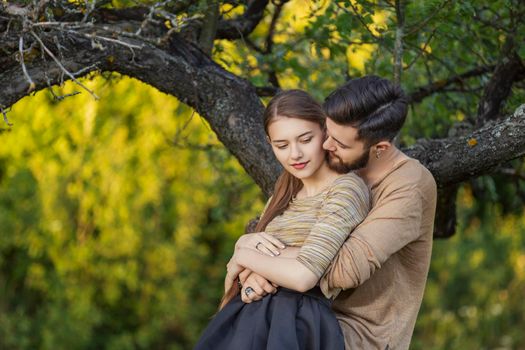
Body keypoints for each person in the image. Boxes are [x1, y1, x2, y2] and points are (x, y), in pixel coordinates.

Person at [238, 76, 438, 350]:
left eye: (340, 143)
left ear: (380, 149)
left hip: (355, 337)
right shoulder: (336, 168)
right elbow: (285, 229)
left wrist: (255, 258)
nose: (326, 145)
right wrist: (253, 269)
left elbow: (345, 270)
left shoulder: (408, 186)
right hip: (299, 318)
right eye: (327, 133)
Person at [194, 89, 370, 350]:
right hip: (251, 319)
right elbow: (251, 272)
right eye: (282, 145)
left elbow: (304, 276)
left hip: (297, 324)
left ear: (325, 131)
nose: (295, 154)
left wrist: (243, 255)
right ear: (269, 142)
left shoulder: (345, 189)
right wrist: (250, 274)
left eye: (305, 139)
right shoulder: (285, 189)